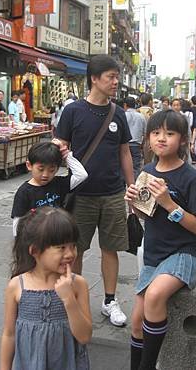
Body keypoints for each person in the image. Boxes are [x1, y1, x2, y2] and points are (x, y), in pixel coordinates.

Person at [125, 110, 196, 370]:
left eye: (170, 133)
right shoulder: (148, 170)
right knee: (136, 321)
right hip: (154, 253)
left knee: (155, 295)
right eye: (156, 133)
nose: (162, 138)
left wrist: (169, 204)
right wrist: (133, 204)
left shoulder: (190, 177)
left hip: (183, 251)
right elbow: (144, 214)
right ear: (148, 138)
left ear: (182, 140)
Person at [57, 54, 134, 327]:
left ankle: (109, 301)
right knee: (74, 251)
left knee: (111, 249)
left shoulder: (119, 114)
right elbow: (59, 144)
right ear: (94, 79)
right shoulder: (73, 111)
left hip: (113, 193)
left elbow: (124, 152)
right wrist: (61, 153)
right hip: (80, 195)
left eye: (117, 77)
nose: (116, 82)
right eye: (111, 77)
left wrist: (131, 187)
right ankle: (75, 301)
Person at [0, 207, 92, 370]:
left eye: (73, 246)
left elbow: (84, 337)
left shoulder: (78, 284)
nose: (70, 254)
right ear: (35, 251)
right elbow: (9, 334)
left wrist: (69, 300)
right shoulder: (17, 285)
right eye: (61, 247)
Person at [11, 140, 87, 235]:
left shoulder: (59, 183)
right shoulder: (24, 192)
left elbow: (81, 175)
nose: (45, 175)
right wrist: (20, 243)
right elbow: (18, 220)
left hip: (57, 234)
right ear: (29, 165)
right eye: (41, 169)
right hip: (36, 237)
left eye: (51, 170)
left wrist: (66, 154)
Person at [124, 97, 146, 180]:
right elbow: (145, 133)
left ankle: (124, 184)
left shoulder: (123, 115)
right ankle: (134, 184)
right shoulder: (141, 116)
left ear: (125, 105)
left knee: (123, 165)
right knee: (136, 166)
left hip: (124, 146)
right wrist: (142, 144)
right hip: (136, 145)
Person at [139, 93, 154, 165]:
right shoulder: (153, 113)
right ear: (150, 101)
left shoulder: (137, 111)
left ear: (140, 101)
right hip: (149, 139)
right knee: (148, 161)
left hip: (136, 139)